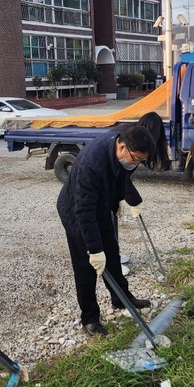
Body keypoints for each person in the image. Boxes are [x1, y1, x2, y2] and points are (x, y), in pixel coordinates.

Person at [57, 125, 156, 337]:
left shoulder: (124, 152)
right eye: (136, 158)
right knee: (86, 267)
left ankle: (121, 298)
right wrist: (94, 250)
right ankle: (90, 318)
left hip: (99, 206)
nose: (137, 163)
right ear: (122, 147)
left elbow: (121, 176)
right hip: (76, 212)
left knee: (112, 253)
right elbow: (83, 211)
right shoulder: (91, 163)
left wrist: (119, 199)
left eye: (141, 160)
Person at [116, 111, 170, 270]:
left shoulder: (139, 140)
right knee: (105, 221)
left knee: (112, 220)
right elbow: (121, 176)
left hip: (113, 181)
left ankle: (113, 254)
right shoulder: (130, 141)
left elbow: (123, 177)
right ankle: (110, 262)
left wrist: (121, 196)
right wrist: (133, 201)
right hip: (101, 182)